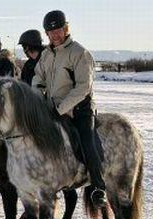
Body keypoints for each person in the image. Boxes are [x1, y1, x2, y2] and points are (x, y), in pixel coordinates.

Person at [32, 10, 107, 208]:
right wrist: (38, 94)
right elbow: (38, 77)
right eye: (51, 31)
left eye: (59, 30)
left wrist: (62, 108)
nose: (55, 34)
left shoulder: (79, 52)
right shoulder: (47, 55)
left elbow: (83, 87)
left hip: (80, 109)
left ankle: (99, 186)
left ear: (66, 29)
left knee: (87, 140)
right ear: (46, 34)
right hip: (53, 108)